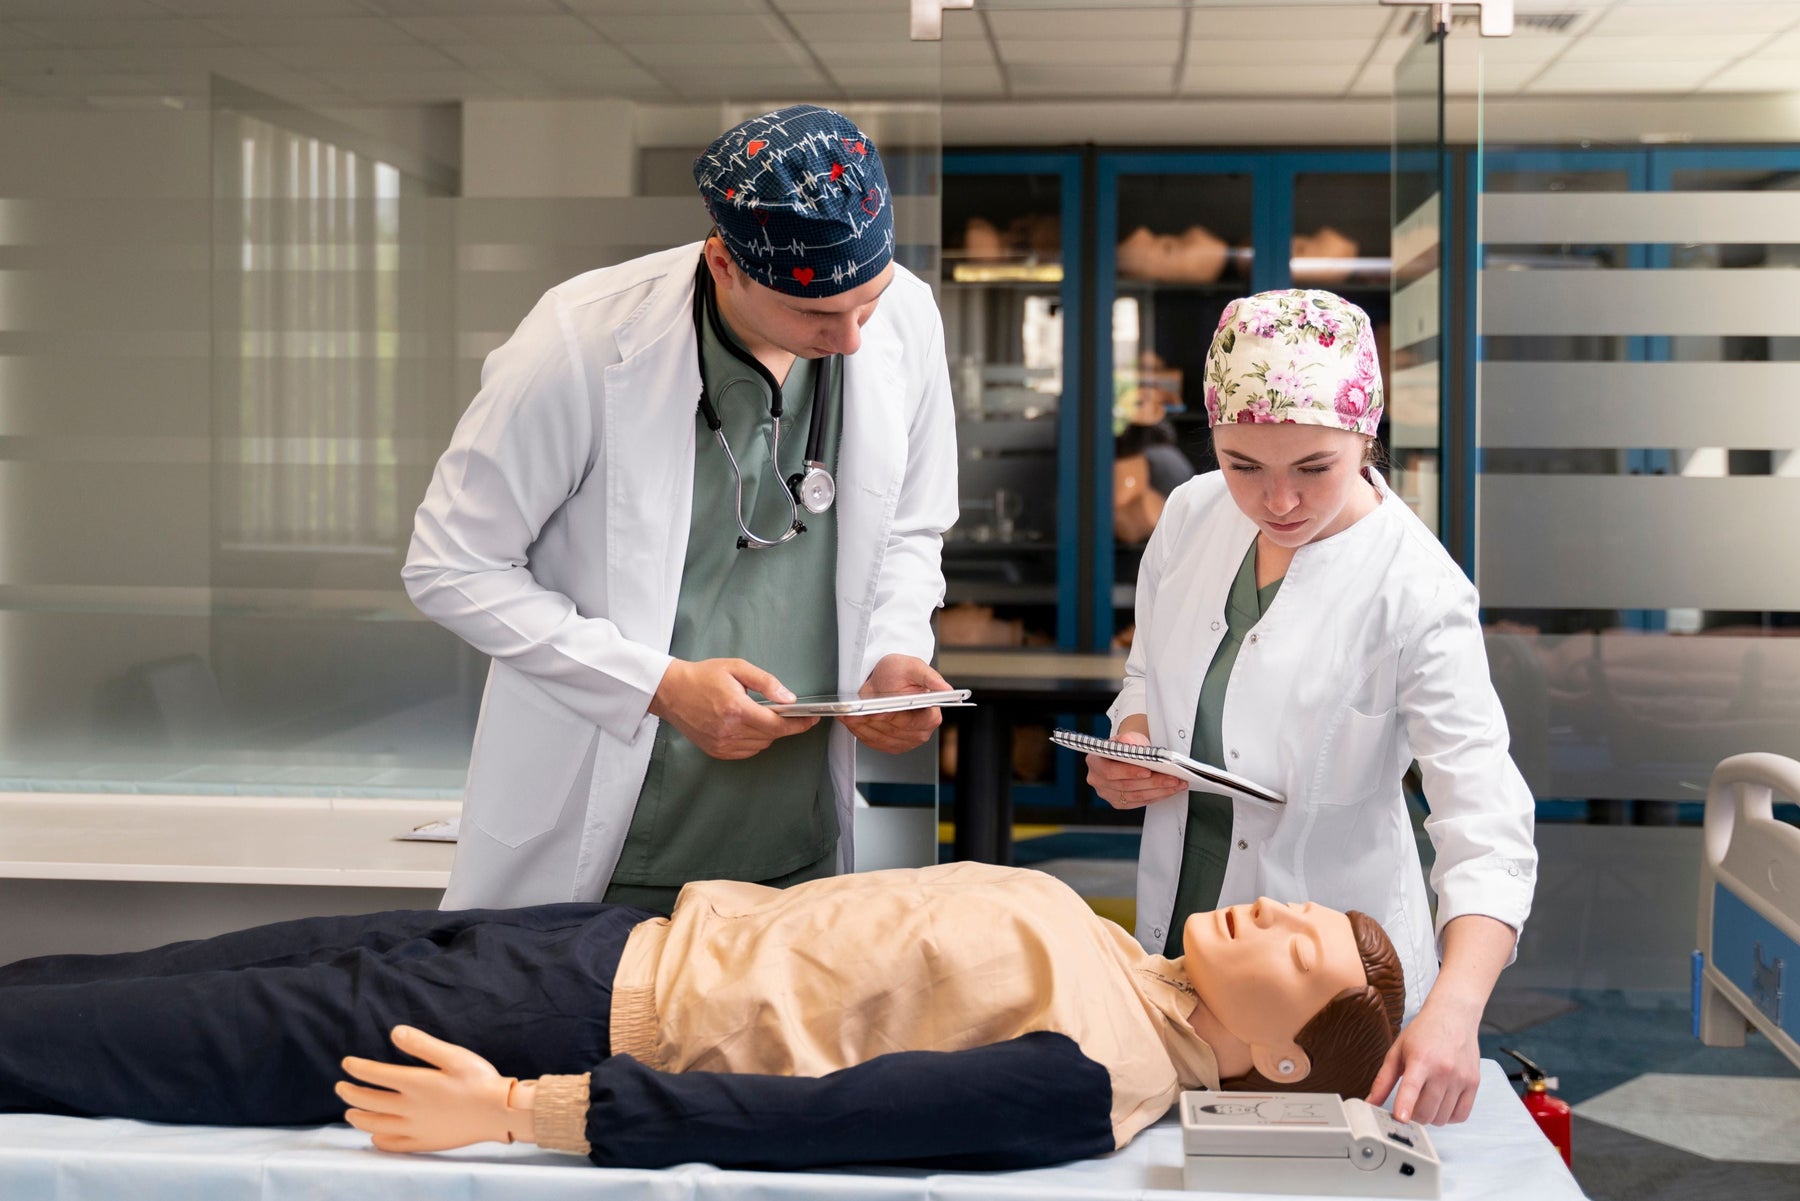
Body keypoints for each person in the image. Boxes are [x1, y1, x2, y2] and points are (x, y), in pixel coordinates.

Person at [403, 104, 959, 912]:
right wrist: (656, 685)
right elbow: (451, 565)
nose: (850, 343)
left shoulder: (903, 316)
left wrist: (891, 653)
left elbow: (910, 524)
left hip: (797, 845)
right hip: (612, 849)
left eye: (865, 305)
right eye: (814, 314)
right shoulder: (580, 339)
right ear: (724, 264)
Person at [0, 863, 1403, 1173]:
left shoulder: (1094, 1080)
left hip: (548, 1022)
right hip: (585, 937)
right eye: (1299, 904)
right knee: (156, 974)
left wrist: (517, 1109)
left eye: (1303, 948)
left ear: (1281, 1057)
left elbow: (816, 1124)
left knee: (112, 1040)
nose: (1276, 912)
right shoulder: (1113, 948)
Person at [1086, 289, 1537, 1129]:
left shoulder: (1418, 592)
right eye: (1243, 464)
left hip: (1326, 1002)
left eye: (1314, 468)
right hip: (1180, 952)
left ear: (1366, 437)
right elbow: (1148, 669)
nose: (1278, 501)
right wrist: (1133, 736)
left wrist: (1457, 1005)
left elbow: (1487, 821)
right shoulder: (1191, 515)